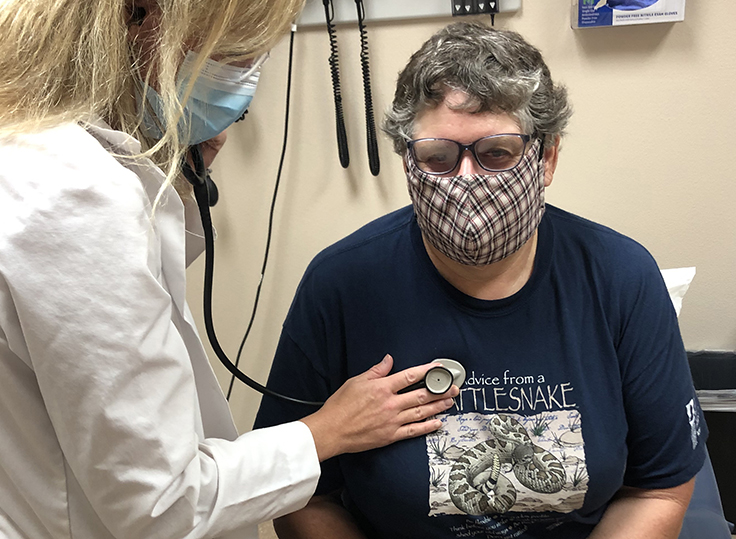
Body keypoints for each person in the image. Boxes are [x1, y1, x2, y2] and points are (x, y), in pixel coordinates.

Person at [0, 1, 458, 538]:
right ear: (139, 18)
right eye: (235, 55)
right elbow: (164, 505)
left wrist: (177, 175)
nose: (245, 88)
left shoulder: (40, 156)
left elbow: (104, 301)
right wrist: (327, 432)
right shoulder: (74, 194)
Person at [254, 21, 708, 539]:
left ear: (547, 158)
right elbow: (297, 493)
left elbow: (659, 487)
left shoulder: (621, 277)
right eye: (439, 158)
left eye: (497, 152)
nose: (467, 181)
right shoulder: (340, 284)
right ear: (408, 162)